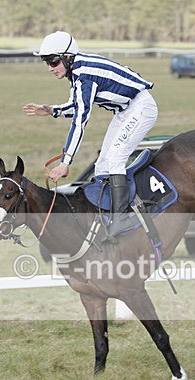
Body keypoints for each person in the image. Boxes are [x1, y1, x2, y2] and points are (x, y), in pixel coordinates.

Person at [23, 31, 158, 232]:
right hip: (125, 111)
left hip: (141, 108)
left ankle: (122, 218)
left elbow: (80, 120)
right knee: (102, 165)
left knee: (115, 160)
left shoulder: (84, 75)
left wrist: (65, 162)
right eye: (46, 62)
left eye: (53, 61)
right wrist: (52, 110)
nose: (50, 68)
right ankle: (106, 216)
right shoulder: (77, 71)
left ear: (68, 57)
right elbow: (76, 106)